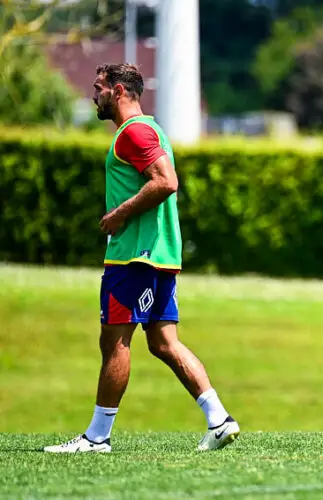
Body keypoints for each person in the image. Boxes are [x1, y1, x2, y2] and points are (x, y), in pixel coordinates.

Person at [44, 63, 239, 453]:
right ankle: (219, 419)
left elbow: (166, 181)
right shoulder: (152, 129)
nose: (93, 95)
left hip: (136, 257)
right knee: (164, 343)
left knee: (114, 342)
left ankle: (97, 437)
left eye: (98, 88)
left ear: (118, 91)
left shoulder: (133, 132)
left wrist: (120, 214)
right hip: (160, 256)